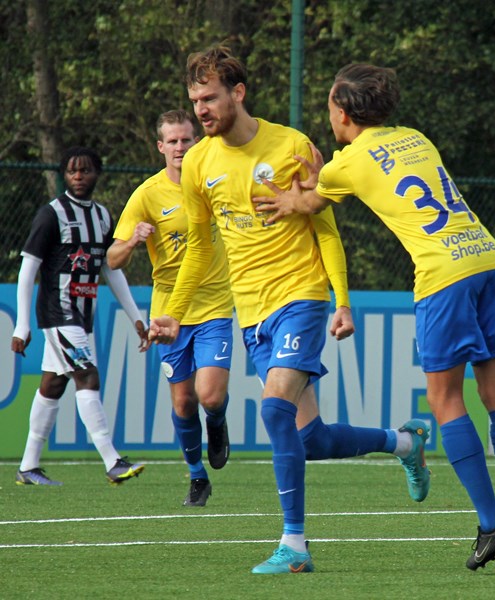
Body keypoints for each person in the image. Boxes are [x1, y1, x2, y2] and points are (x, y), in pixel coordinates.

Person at [147, 46, 431, 574]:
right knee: (310, 438)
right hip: (251, 313)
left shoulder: (292, 145)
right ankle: (405, 442)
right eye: (194, 101)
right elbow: (202, 248)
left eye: (209, 98)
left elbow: (324, 227)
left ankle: (294, 547)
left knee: (273, 410)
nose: (201, 110)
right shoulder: (199, 164)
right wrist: (176, 313)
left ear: (238, 92)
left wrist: (342, 301)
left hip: (300, 296)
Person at [257, 63, 495, 570]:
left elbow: (311, 201)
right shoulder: (415, 137)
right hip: (487, 258)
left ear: (342, 114)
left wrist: (292, 193)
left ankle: (487, 524)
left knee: (444, 397)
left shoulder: (346, 162)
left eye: (329, 107)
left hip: (444, 274)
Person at [107, 110, 233, 507]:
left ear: (198, 141)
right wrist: (131, 241)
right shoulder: (147, 194)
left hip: (213, 304)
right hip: (169, 313)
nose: (181, 147)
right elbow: (112, 258)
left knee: (210, 396)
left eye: (186, 139)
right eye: (173, 141)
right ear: (161, 147)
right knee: (182, 402)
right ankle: (198, 477)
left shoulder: (216, 182)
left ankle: (217, 425)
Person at [11, 146, 149, 486]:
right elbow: (29, 268)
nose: (78, 176)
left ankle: (28, 466)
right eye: (72, 170)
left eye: (85, 170)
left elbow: (110, 270)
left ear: (96, 173)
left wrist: (135, 317)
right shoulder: (51, 214)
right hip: (58, 313)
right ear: (63, 174)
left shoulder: (102, 215)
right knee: (87, 376)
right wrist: (23, 323)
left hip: (81, 316)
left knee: (53, 385)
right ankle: (112, 461)